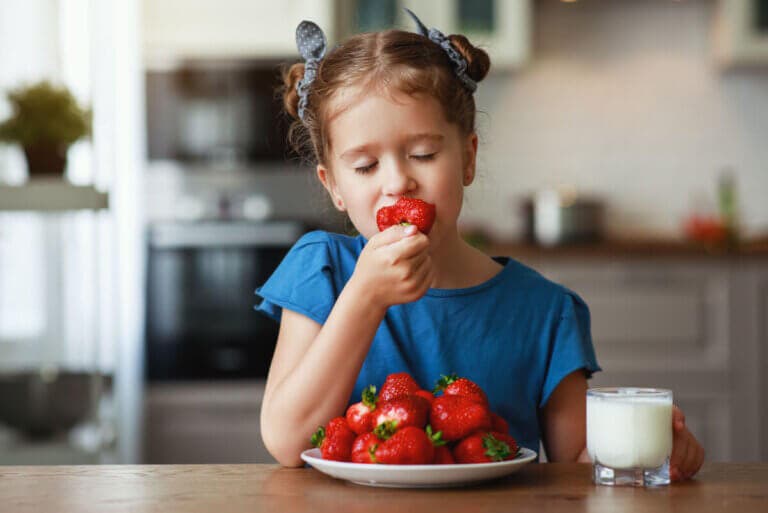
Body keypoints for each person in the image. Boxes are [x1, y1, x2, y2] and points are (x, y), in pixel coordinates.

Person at [255, 10, 705, 479]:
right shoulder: (321, 270)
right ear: (334, 187)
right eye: (365, 165)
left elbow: (575, 465)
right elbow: (287, 441)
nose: (397, 182)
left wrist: (652, 451)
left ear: (467, 158)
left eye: (424, 155)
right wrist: (364, 298)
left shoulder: (546, 312)